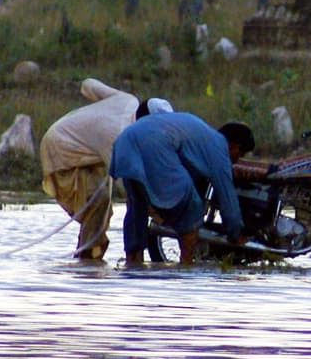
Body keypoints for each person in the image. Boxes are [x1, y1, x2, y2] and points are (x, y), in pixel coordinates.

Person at [110, 108, 250, 265]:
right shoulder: (219, 149)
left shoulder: (202, 133)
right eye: (241, 154)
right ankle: (186, 268)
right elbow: (227, 196)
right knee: (192, 208)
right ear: (234, 146)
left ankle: (133, 264)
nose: (237, 160)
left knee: (137, 209)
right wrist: (235, 232)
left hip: (124, 142)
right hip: (154, 145)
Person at [38, 78, 139, 260]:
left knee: (102, 205)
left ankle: (90, 255)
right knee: (97, 200)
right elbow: (123, 180)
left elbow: (87, 84)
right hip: (61, 147)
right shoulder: (116, 134)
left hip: (87, 150)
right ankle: (87, 256)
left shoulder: (129, 101)